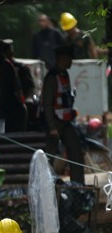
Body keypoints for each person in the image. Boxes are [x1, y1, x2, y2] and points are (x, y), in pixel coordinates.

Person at [42, 45, 84, 184]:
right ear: (62, 58)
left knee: (76, 150)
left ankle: (78, 186)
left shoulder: (65, 74)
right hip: (54, 122)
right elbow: (47, 104)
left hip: (66, 121)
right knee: (50, 155)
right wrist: (51, 126)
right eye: (69, 58)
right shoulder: (51, 77)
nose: (71, 61)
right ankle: (47, 185)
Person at [0, 36, 27, 132]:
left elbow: (6, 92)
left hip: (13, 112)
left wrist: (2, 111)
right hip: (7, 111)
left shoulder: (5, 67)